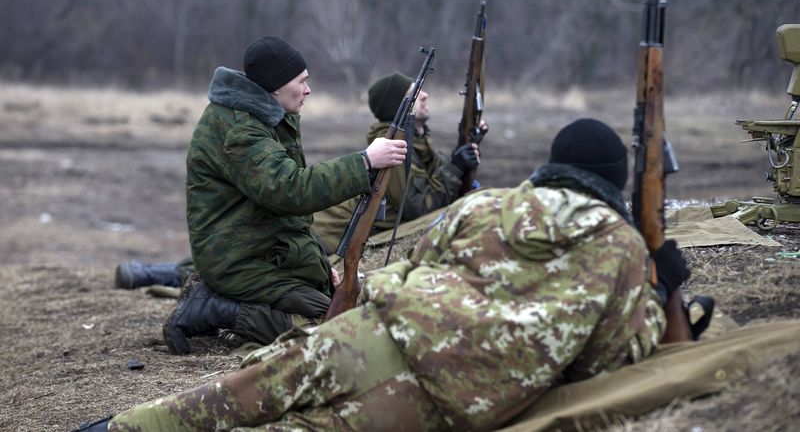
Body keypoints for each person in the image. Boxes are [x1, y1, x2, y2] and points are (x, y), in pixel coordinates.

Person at [75, 118, 690, 431]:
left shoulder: (487, 204)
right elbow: (610, 361)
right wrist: (666, 290)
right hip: (455, 386)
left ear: (551, 165)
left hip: (380, 329)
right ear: (614, 181)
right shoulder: (621, 249)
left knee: (246, 389)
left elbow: (419, 265)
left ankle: (117, 428)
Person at [160, 35, 407, 355]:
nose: (308, 90)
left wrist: (319, 263)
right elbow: (290, 190)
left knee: (343, 308)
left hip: (259, 249)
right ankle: (215, 308)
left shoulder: (268, 114)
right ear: (276, 86)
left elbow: (288, 210)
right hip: (236, 259)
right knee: (328, 326)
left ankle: (224, 301)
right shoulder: (242, 131)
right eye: (301, 81)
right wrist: (365, 162)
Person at [313, 71, 486, 253]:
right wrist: (455, 167)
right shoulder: (392, 148)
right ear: (398, 106)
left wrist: (467, 144)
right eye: (415, 93)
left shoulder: (418, 142)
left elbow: (437, 176)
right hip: (328, 238)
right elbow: (418, 208)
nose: (425, 95)